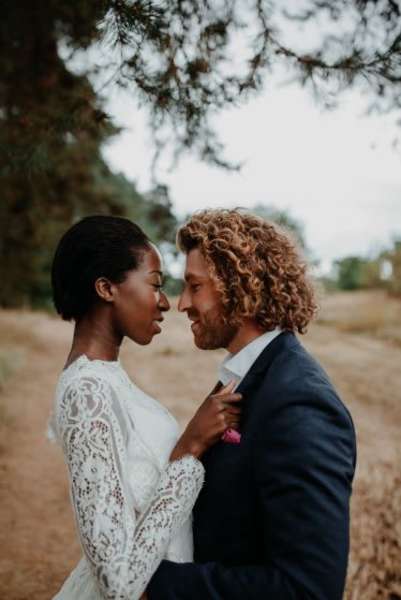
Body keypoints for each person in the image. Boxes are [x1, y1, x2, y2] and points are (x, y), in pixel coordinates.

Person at [147, 209, 357, 600]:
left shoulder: (300, 404)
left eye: (195, 287)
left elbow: (308, 589)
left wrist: (157, 586)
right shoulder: (249, 374)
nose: (182, 304)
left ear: (239, 288)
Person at [48, 215, 242, 600]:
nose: (166, 302)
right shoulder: (87, 392)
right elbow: (118, 584)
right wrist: (188, 451)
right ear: (106, 288)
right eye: (155, 284)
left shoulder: (107, 379)